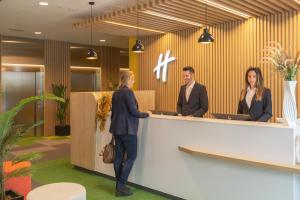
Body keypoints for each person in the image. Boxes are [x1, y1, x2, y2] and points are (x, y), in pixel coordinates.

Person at [109, 70, 149, 197]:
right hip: (128, 130)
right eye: (133, 79)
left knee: (119, 157)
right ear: (128, 79)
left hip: (116, 129)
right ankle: (121, 186)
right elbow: (134, 111)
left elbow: (114, 113)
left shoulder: (116, 93)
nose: (134, 81)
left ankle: (118, 185)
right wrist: (146, 114)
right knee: (131, 157)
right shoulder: (128, 92)